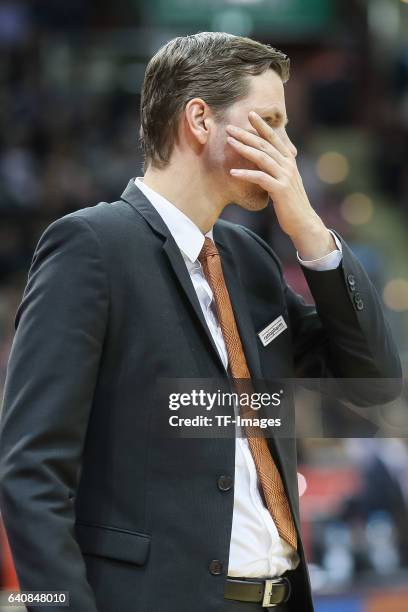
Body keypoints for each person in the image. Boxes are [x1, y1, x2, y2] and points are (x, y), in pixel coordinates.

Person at [0, 32, 402, 612]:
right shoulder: (91, 246)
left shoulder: (251, 260)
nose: (288, 149)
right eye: (270, 121)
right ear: (200, 120)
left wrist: (312, 234)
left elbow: (375, 380)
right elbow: (31, 474)